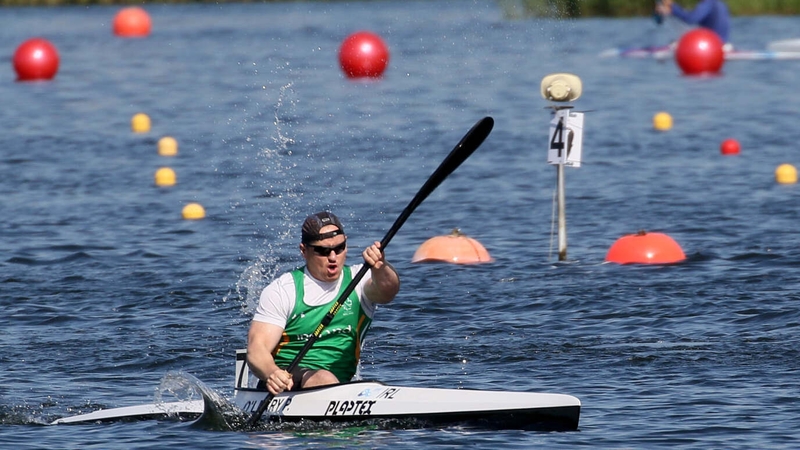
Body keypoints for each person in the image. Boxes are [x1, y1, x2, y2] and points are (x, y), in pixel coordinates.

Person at [247, 211, 400, 395]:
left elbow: (388, 291)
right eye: (323, 251)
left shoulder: (359, 280)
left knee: (330, 379)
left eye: (340, 248)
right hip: (287, 385)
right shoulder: (283, 290)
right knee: (323, 378)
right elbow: (257, 350)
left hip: (340, 387)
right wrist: (272, 374)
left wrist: (380, 266)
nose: (333, 257)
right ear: (304, 251)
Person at [656, 0, 731, 44]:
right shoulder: (719, 3)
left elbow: (691, 19)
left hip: (712, 45)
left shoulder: (708, 3)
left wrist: (672, 7)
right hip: (722, 43)